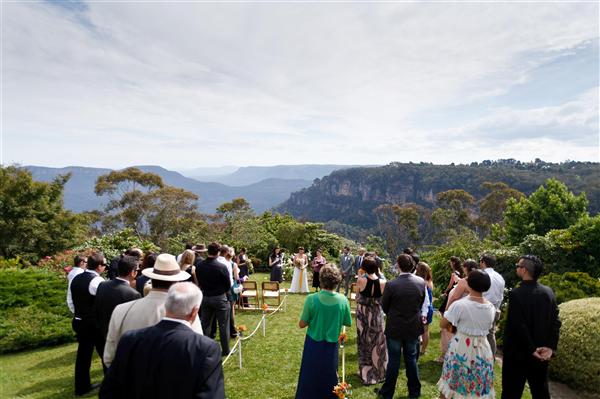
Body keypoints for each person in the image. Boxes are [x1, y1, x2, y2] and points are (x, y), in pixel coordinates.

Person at [99, 282, 225, 399]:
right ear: (194, 312)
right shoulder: (206, 348)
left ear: (166, 306)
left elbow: (109, 390)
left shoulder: (130, 339)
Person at [103, 253, 202, 368]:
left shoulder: (120, 310)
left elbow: (109, 358)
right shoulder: (185, 311)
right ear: (177, 282)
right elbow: (197, 353)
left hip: (131, 381)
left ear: (152, 278)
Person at [502, 255, 561, 399]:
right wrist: (550, 348)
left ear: (524, 270)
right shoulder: (548, 292)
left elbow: (518, 326)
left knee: (511, 392)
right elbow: (556, 322)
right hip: (541, 353)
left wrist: (531, 349)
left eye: (518, 265)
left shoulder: (516, 294)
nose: (516, 267)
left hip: (518, 354)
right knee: (541, 392)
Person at [295, 264, 352, 399]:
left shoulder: (312, 299)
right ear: (337, 281)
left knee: (310, 373)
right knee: (330, 373)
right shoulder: (343, 300)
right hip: (332, 344)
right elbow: (347, 322)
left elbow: (302, 324)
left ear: (321, 279)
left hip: (313, 344)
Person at [437, 270, 496, 399]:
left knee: (452, 380)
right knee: (477, 384)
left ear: (469, 283)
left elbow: (442, 324)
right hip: (483, 348)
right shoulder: (491, 307)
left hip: (461, 346)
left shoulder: (460, 305)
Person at [376, 254, 426, 399]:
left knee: (394, 360)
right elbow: (421, 302)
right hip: (412, 326)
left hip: (395, 326)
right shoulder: (421, 282)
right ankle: (414, 392)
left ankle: (388, 392)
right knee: (411, 359)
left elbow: (385, 306)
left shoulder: (391, 284)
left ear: (398, 265)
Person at [70, 252, 106, 396]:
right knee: (105, 353)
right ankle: (111, 381)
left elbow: (72, 300)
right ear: (99, 266)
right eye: (104, 264)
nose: (105, 267)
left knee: (83, 356)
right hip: (93, 324)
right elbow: (103, 303)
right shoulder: (97, 282)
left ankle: (81, 387)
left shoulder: (76, 278)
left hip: (79, 320)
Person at [355, 256, 387, 385]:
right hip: (377, 315)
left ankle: (365, 370)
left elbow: (357, 297)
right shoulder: (383, 282)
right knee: (377, 343)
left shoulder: (361, 280)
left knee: (363, 342)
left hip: (363, 314)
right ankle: (378, 370)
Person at [195, 242, 232, 356]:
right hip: (219, 298)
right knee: (223, 325)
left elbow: (199, 281)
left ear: (208, 251)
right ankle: (225, 351)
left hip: (205, 297)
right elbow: (227, 285)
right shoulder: (221, 266)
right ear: (218, 252)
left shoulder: (200, 265)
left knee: (205, 324)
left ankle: (204, 349)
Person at [95, 255, 141, 341]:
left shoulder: (102, 285)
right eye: (137, 270)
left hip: (105, 334)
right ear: (132, 272)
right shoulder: (133, 294)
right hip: (123, 338)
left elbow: (97, 310)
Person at [437, 256, 463, 363]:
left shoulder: (454, 273)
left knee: (444, 310)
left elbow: (450, 285)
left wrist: (445, 292)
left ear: (453, 263)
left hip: (453, 293)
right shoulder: (460, 272)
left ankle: (445, 325)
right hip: (457, 292)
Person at [480, 254, 505, 357]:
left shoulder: (482, 275)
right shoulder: (500, 277)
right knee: (491, 334)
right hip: (494, 309)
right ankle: (491, 357)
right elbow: (501, 295)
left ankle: (479, 357)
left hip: (481, 309)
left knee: (478, 335)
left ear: (483, 262)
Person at [415, 262, 434, 355]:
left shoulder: (419, 282)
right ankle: (423, 350)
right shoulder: (430, 281)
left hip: (421, 308)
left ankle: (418, 348)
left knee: (418, 330)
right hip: (429, 308)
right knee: (425, 330)